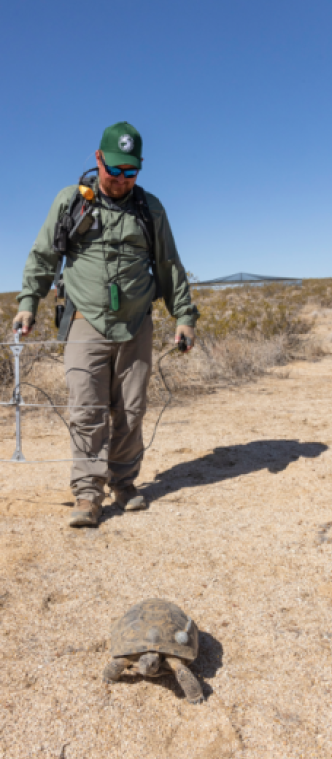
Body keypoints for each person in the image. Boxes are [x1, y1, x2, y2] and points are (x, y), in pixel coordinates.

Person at [13, 122, 198, 528]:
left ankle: (125, 482)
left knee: (130, 410)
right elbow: (43, 255)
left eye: (131, 172)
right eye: (114, 170)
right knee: (86, 408)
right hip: (85, 320)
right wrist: (29, 302)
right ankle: (88, 492)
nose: (121, 179)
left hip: (136, 324)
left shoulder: (150, 209)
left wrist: (183, 315)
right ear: (98, 159)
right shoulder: (71, 202)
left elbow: (168, 265)